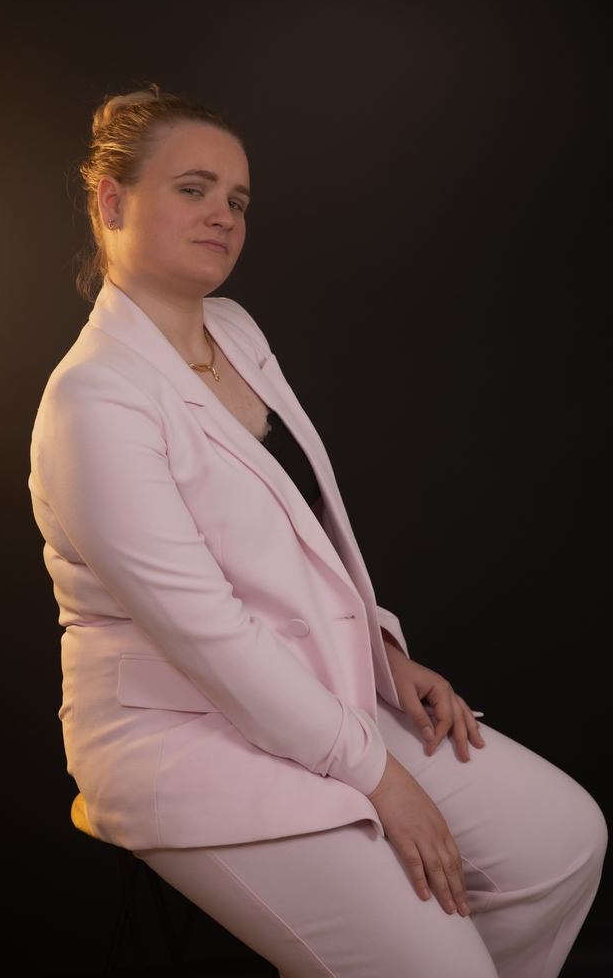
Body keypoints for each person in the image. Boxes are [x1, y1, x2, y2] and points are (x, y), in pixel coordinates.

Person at [30, 87, 606, 978]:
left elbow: (299, 532)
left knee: (567, 839)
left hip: (310, 689)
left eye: (238, 199)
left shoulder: (233, 330)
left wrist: (382, 656)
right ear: (112, 203)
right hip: (183, 737)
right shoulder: (94, 401)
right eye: (193, 189)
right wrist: (383, 779)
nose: (224, 215)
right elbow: (211, 636)